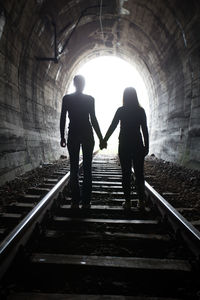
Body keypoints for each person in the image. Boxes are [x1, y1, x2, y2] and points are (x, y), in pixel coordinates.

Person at [100, 87, 149, 210]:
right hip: (138, 144)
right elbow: (144, 130)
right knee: (139, 174)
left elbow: (113, 126)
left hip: (124, 144)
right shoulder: (140, 111)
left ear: (124, 97)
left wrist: (104, 140)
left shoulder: (121, 110)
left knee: (126, 173)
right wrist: (146, 146)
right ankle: (141, 202)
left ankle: (127, 202)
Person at [60, 75, 103, 209]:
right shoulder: (90, 99)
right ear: (84, 84)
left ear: (74, 84)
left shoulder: (67, 99)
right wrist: (101, 138)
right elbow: (93, 120)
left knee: (73, 168)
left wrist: (62, 136)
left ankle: (75, 201)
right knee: (87, 168)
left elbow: (62, 118)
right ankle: (86, 201)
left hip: (73, 133)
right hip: (87, 133)